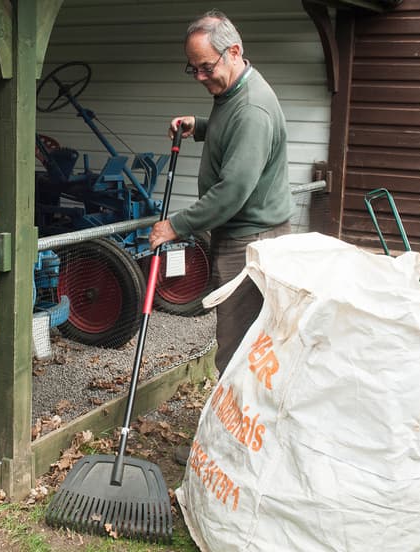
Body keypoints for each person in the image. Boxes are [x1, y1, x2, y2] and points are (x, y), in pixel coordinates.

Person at [149, 11, 293, 465]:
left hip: (249, 242)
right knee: (252, 343)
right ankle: (248, 433)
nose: (199, 77)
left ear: (234, 51)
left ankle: (237, 451)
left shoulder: (251, 108)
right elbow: (231, 131)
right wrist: (201, 125)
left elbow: (233, 190)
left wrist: (176, 225)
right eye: (192, 68)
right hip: (246, 234)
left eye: (206, 67)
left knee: (238, 346)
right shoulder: (236, 92)